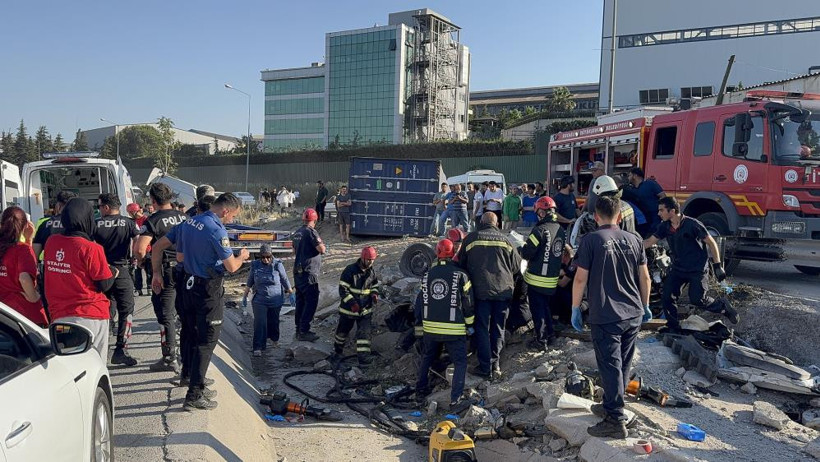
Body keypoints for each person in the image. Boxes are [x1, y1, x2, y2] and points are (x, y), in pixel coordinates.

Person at [152, 193, 250, 411]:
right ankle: (194, 394)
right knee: (206, 340)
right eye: (232, 216)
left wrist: (156, 274)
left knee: (188, 331)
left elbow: (158, 247)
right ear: (225, 211)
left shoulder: (188, 222)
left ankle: (188, 375)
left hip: (185, 284)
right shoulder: (216, 230)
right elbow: (231, 267)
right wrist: (241, 256)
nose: (231, 220)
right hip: (207, 289)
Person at [570, 195, 652, 439]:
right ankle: (610, 404)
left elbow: (580, 278)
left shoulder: (591, 240)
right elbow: (645, 277)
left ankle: (615, 420)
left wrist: (575, 308)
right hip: (633, 313)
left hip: (607, 315)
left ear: (596, 217)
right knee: (622, 364)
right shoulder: (635, 239)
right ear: (619, 215)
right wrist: (646, 305)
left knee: (610, 365)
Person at [643, 197, 738, 333]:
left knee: (698, 299)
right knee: (667, 296)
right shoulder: (665, 226)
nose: (659, 213)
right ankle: (673, 326)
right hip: (678, 268)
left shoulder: (693, 224)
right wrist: (631, 248)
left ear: (672, 211)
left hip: (697, 269)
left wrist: (717, 266)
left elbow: (711, 243)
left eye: (661, 210)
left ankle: (723, 307)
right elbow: (649, 242)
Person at [43, 198, 118, 358]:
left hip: (59, 316)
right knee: (95, 365)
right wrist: (114, 272)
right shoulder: (91, 248)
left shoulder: (51, 242)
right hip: (90, 314)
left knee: (69, 366)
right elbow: (104, 284)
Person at [456, 213, 522, 379]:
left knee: (482, 328)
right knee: (498, 328)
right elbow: (516, 267)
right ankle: (496, 363)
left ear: (481, 222)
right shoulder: (506, 240)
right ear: (497, 223)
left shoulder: (471, 239)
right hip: (503, 291)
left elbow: (460, 265)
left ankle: (485, 367)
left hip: (480, 292)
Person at [415, 239, 474, 411]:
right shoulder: (460, 275)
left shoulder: (426, 276)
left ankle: (419, 392)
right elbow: (468, 303)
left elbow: (421, 303)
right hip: (454, 329)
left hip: (430, 329)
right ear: (452, 254)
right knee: (460, 362)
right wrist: (470, 325)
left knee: (427, 358)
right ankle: (455, 401)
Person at [136, 183, 189, 373]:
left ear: (153, 201)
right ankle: (185, 356)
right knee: (184, 314)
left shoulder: (152, 220)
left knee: (166, 315)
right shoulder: (184, 217)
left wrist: (144, 264)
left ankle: (169, 357)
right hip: (186, 270)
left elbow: (140, 249)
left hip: (164, 272)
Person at [94, 193, 141, 367]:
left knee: (102, 309)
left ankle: (99, 349)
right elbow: (137, 242)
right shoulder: (129, 223)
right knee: (127, 309)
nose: (99, 210)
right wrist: (137, 259)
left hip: (101, 271)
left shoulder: (95, 224)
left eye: (99, 207)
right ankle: (121, 349)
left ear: (106, 207)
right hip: (121, 270)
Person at [521, 196, 566, 350]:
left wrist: (521, 248)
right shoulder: (560, 230)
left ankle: (541, 342)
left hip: (536, 279)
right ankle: (550, 335)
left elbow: (527, 253)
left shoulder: (539, 230)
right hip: (552, 279)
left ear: (541, 212)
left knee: (537, 310)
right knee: (545, 307)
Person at [332, 246, 380, 365]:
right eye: (369, 260)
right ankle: (337, 352)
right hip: (348, 310)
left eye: (372, 260)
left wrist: (374, 294)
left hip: (365, 310)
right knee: (342, 332)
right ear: (362, 258)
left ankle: (364, 358)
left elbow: (374, 285)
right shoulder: (350, 270)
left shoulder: (372, 272)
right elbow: (343, 289)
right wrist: (352, 303)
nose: (370, 262)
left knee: (364, 334)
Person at [243, 244, 292, 356]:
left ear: (272, 256)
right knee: (260, 322)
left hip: (276, 299)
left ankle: (274, 339)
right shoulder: (255, 265)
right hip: (259, 299)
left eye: (268, 257)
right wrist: (245, 295)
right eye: (263, 257)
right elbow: (250, 280)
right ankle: (258, 347)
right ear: (260, 257)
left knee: (273, 321)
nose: (265, 259)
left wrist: (291, 293)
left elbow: (284, 279)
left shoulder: (277, 264)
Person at [0, 207, 46, 326]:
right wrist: (34, 297)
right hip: (24, 316)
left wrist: (28, 241)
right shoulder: (22, 250)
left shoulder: (19, 249)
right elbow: (24, 278)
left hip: (3, 313)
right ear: (25, 225)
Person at [291, 208, 326, 342]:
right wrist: (323, 245)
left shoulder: (297, 232)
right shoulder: (311, 232)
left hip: (298, 271)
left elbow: (294, 250)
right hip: (308, 272)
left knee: (300, 301)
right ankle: (304, 330)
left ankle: (298, 327)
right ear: (315, 220)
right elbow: (321, 249)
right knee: (311, 301)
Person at [32, 190, 76, 258]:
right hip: (74, 265)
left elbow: (35, 254)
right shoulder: (78, 223)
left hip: (51, 266)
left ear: (58, 206)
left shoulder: (45, 224)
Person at [626, 168, 665, 236]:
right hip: (641, 220)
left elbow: (663, 196)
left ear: (635, 176)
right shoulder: (631, 189)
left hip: (654, 217)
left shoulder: (650, 184)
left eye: (629, 175)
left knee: (654, 235)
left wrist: (661, 210)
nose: (628, 178)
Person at [127, 203, 147, 296]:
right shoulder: (132, 222)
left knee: (148, 269)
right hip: (135, 248)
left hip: (147, 248)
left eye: (130, 213)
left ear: (135, 211)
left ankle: (150, 286)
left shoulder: (146, 220)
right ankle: (138, 288)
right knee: (136, 270)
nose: (129, 215)